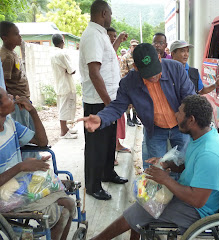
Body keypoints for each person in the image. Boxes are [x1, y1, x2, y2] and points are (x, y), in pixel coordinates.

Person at [88, 95, 219, 240]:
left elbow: (197, 200)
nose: (175, 115)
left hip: (197, 212)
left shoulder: (209, 154)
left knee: (141, 209)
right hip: (189, 197)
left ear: (192, 120)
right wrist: (167, 163)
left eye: (179, 112)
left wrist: (166, 180)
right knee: (143, 201)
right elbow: (190, 166)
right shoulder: (202, 136)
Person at [78, 43, 196, 172]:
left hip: (181, 127)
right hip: (155, 129)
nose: (153, 77)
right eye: (148, 73)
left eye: (155, 71)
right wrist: (101, 119)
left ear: (159, 58)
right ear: (136, 67)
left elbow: (190, 97)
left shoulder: (176, 68)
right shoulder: (129, 82)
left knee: (182, 165)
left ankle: (178, 191)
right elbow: (117, 106)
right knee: (157, 169)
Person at [0, 87, 75, 240]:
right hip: (6, 196)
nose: (12, 95)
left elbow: (42, 141)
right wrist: (21, 166)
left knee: (70, 204)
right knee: (63, 211)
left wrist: (33, 111)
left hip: (20, 183)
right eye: (7, 96)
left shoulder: (9, 122)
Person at [79, 0, 128, 201]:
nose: (111, 17)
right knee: (96, 145)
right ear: (103, 13)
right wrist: (109, 104)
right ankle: (92, 185)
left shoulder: (101, 34)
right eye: (110, 14)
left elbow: (107, 61)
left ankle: (108, 173)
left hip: (108, 100)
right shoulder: (92, 35)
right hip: (98, 102)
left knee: (108, 141)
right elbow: (94, 72)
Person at [0, 21, 38, 160]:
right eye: (15, 34)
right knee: (24, 133)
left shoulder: (13, 53)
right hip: (17, 103)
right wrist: (13, 101)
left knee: (29, 128)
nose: (19, 36)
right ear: (4, 38)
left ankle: (34, 156)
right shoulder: (6, 57)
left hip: (23, 99)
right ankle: (28, 159)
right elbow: (4, 84)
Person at [106, 27, 131, 159]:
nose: (113, 38)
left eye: (114, 36)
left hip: (116, 91)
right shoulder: (105, 51)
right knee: (110, 124)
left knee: (119, 120)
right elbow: (110, 53)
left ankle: (117, 144)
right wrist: (119, 40)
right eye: (110, 35)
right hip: (107, 94)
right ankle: (110, 154)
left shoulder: (114, 53)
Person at [51, 33, 78, 139]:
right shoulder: (62, 54)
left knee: (63, 106)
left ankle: (66, 128)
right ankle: (63, 131)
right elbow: (72, 70)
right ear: (62, 41)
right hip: (66, 84)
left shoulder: (52, 53)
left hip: (59, 83)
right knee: (64, 108)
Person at [120, 39, 141, 127]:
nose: (135, 48)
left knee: (136, 101)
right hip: (129, 83)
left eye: (136, 46)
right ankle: (128, 118)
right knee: (128, 102)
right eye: (133, 46)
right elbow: (123, 72)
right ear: (130, 47)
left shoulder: (140, 57)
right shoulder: (125, 57)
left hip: (138, 83)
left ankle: (135, 118)